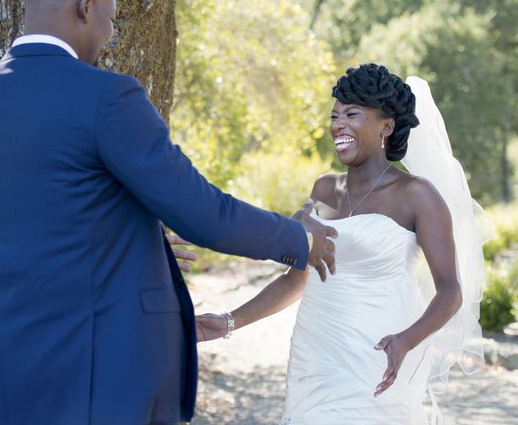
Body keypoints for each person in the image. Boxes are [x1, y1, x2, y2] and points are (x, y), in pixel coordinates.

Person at [0, 0, 338, 425]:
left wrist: (129, 233)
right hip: (90, 366)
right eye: (109, 19)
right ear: (86, 5)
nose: (108, 36)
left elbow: (13, 217)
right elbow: (201, 212)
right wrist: (300, 239)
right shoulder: (107, 96)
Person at [197, 63, 488, 424]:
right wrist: (227, 322)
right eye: (335, 115)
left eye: (352, 114)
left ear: (386, 126)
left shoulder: (416, 195)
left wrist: (406, 341)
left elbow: (449, 291)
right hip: (314, 351)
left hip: (378, 353)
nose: (338, 124)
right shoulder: (323, 190)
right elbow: (296, 279)